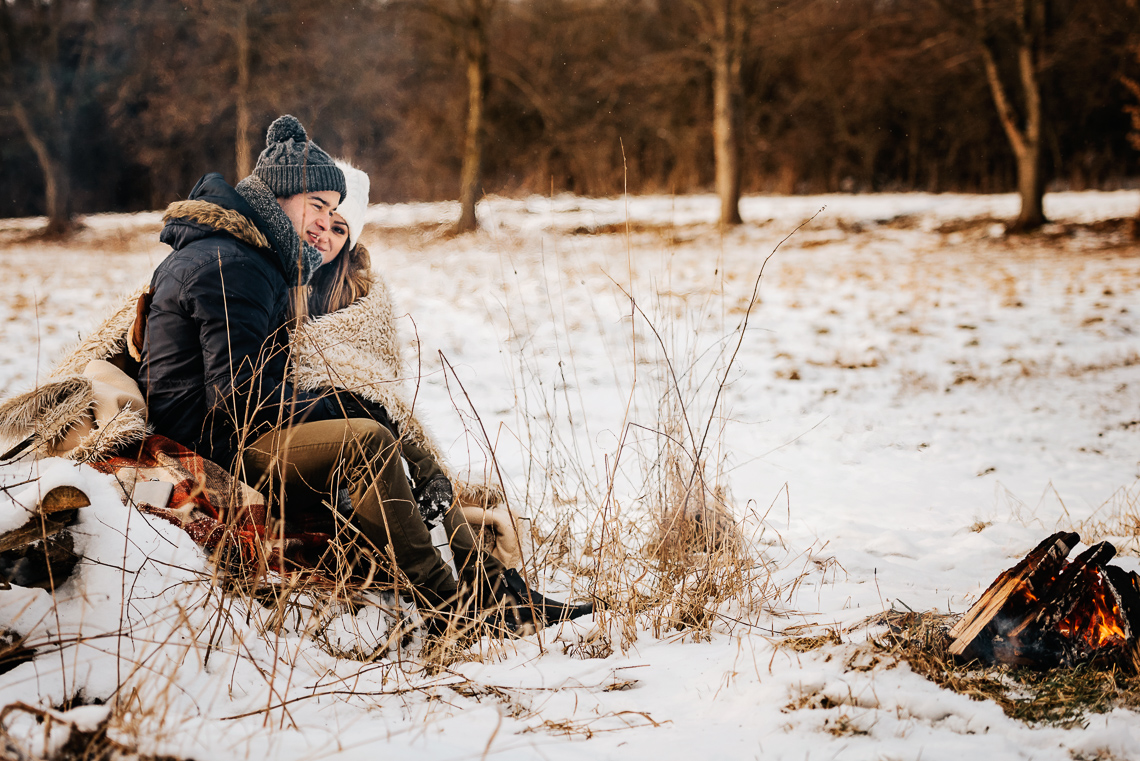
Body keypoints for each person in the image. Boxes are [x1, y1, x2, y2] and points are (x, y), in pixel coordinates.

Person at [142, 117, 589, 633]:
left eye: (335, 214)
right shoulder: (231, 264)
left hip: (234, 430)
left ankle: (489, 589)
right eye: (316, 207)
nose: (323, 224)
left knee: (394, 431)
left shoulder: (245, 256)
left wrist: (344, 401)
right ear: (278, 197)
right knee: (369, 438)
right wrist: (341, 404)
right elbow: (238, 399)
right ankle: (452, 608)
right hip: (215, 447)